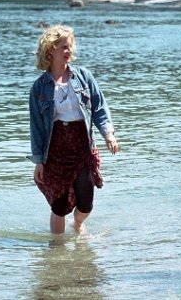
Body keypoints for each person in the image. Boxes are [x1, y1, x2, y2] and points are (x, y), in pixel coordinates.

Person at [29, 25, 119, 235]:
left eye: (69, 47)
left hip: (82, 145)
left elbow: (98, 107)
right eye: (63, 47)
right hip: (56, 149)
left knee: (86, 203)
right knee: (59, 206)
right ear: (50, 50)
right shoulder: (39, 87)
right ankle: (56, 252)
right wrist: (39, 161)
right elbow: (36, 128)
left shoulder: (83, 76)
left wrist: (108, 134)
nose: (68, 51)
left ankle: (78, 224)